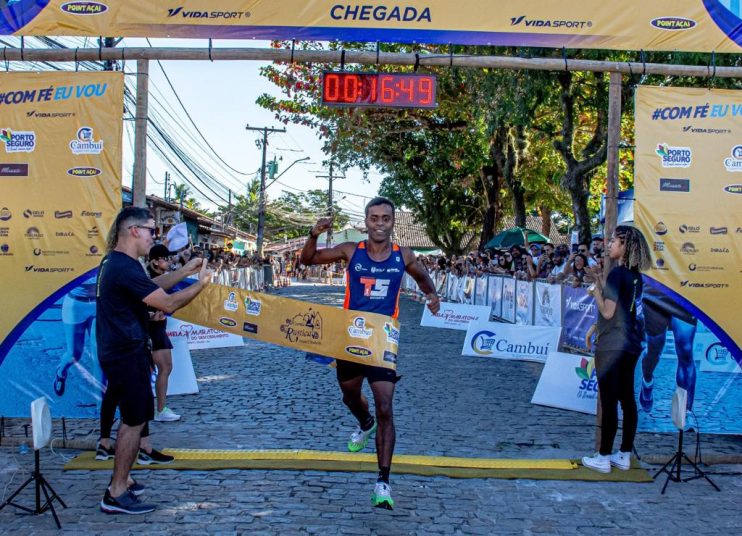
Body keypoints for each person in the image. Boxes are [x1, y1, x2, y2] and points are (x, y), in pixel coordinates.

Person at [300, 197, 440, 510]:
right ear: (366, 221)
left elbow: (420, 275)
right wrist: (313, 234)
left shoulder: (404, 255)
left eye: (385, 219)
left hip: (382, 341)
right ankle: (365, 423)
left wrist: (431, 294)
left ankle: (383, 482)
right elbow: (307, 261)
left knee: (386, 406)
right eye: (374, 218)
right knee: (350, 396)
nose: (379, 224)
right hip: (349, 336)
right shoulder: (352, 250)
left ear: (393, 223)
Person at [96, 207, 212, 515]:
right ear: (134, 231)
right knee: (134, 422)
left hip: (123, 350)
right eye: (151, 230)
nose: (155, 237)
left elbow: (155, 285)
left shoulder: (119, 262)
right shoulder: (123, 266)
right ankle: (116, 492)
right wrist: (201, 284)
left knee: (134, 419)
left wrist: (186, 271)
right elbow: (169, 301)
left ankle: (124, 478)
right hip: (125, 352)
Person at [582, 225, 650, 473]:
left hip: (612, 346)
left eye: (614, 241)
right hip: (630, 344)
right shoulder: (635, 276)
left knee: (609, 401)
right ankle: (624, 454)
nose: (609, 244)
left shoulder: (618, 274)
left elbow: (608, 311)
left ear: (625, 246)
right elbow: (622, 310)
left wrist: (594, 293)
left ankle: (602, 456)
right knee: (627, 400)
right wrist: (600, 282)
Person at [146, 244, 181, 422]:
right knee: (159, 368)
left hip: (159, 327)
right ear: (155, 261)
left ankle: (159, 409)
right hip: (148, 329)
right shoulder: (146, 277)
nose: (169, 262)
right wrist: (149, 316)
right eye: (165, 259)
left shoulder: (165, 278)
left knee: (164, 367)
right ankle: (156, 410)